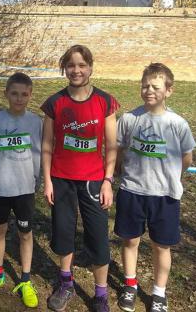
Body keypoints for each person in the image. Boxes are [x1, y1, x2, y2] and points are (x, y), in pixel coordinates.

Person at [41, 44, 119, 312]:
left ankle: (100, 294)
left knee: (98, 237)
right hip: (61, 179)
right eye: (71, 65)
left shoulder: (105, 101)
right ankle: (66, 284)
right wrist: (47, 181)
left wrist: (108, 181)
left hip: (94, 180)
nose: (76, 70)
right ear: (65, 68)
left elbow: (112, 146)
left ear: (90, 68)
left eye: (82, 65)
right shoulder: (54, 103)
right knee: (64, 234)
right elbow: (46, 145)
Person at [114, 63, 196, 312]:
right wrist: (118, 171)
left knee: (161, 245)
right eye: (145, 86)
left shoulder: (177, 124)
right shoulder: (129, 119)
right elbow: (118, 149)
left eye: (156, 87)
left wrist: (173, 177)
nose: (149, 90)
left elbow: (187, 158)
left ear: (168, 90)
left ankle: (159, 293)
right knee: (130, 241)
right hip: (132, 191)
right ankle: (130, 285)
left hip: (165, 196)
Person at [0, 72, 42, 308]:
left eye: (24, 94)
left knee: (25, 233)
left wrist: (37, 181)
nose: (19, 98)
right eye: (14, 93)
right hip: (1, 188)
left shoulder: (36, 122)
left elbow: (38, 153)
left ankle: (25, 280)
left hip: (25, 189)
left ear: (30, 95)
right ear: (6, 94)